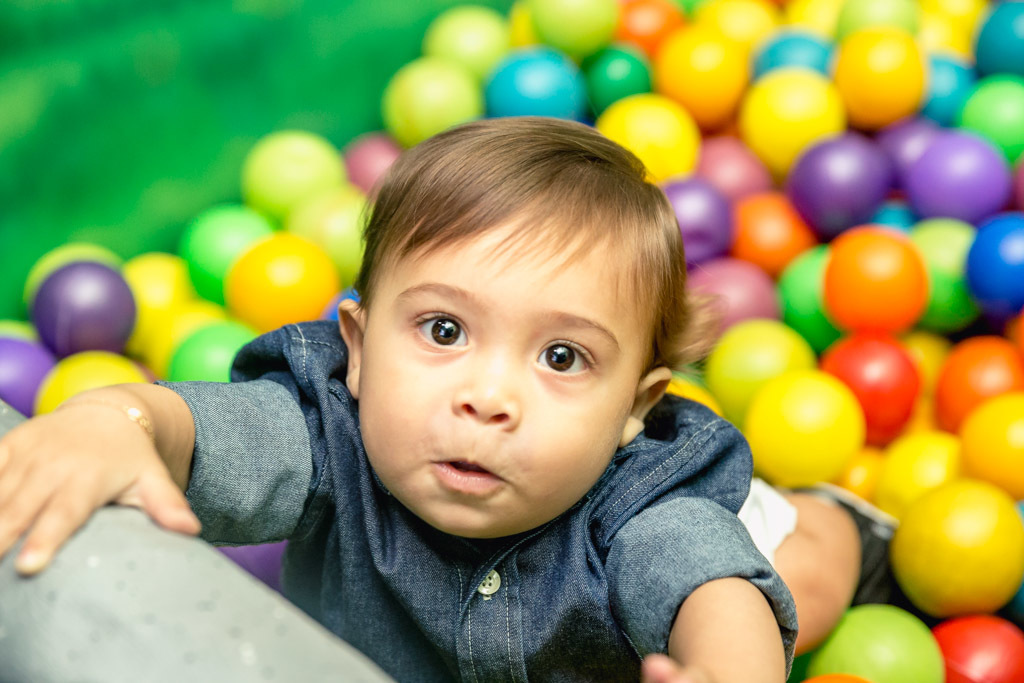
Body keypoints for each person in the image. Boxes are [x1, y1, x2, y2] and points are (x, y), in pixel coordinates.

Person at [0, 117, 797, 682]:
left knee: (798, 554)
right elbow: (207, 431)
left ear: (634, 406)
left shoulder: (640, 503)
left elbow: (711, 588)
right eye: (444, 329)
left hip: (757, 524)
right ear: (357, 344)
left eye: (562, 355)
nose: (487, 397)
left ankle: (836, 524)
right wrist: (116, 420)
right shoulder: (332, 433)